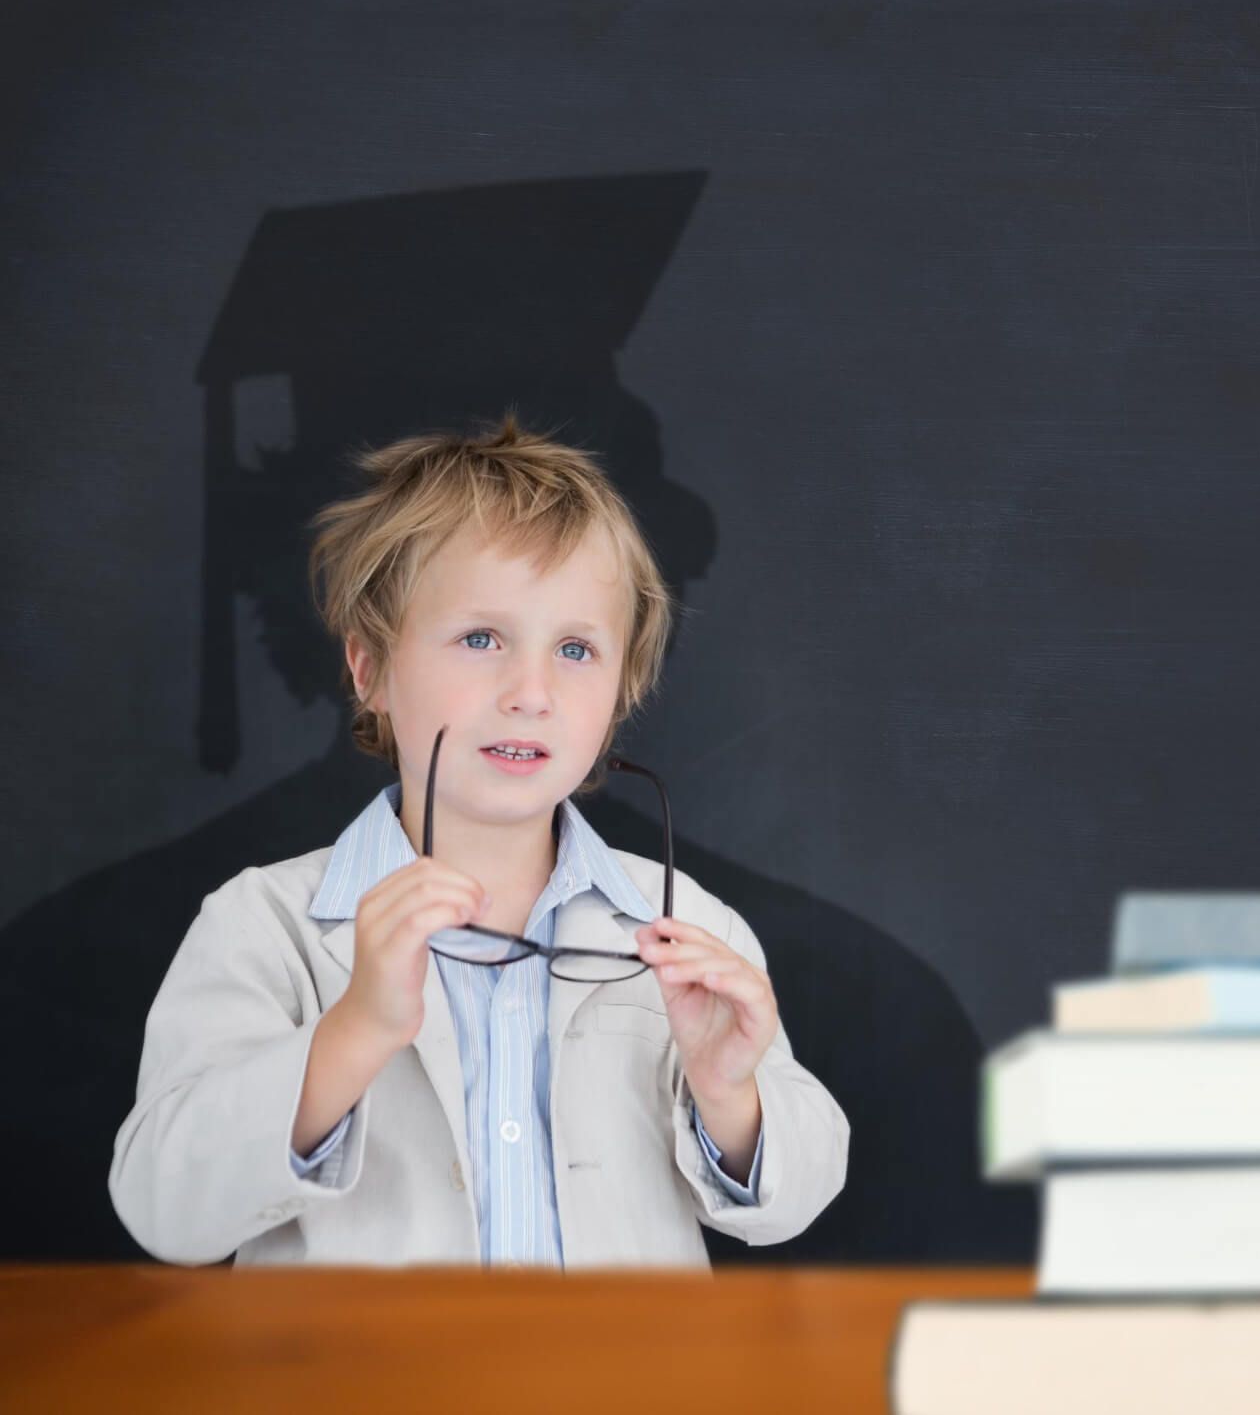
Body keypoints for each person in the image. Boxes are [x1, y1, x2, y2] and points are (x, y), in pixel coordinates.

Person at [108, 411, 850, 1268]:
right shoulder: (264, 925)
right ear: (370, 670)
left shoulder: (689, 928)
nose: (530, 692)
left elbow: (795, 1198)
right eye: (481, 638)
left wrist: (730, 1095)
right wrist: (352, 1030)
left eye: (576, 648)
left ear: (620, 690)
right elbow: (165, 1209)